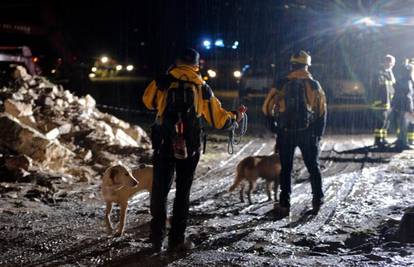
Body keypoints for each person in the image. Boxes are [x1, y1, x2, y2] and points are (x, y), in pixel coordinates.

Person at [142, 48, 245, 252]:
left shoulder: (163, 81)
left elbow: (147, 102)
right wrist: (235, 117)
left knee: (160, 190)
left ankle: (156, 238)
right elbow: (218, 120)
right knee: (183, 192)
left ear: (176, 62)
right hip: (190, 145)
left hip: (164, 143)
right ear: (197, 65)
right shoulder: (202, 87)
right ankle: (177, 239)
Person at [262, 50, 327, 218]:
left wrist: (275, 128)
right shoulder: (314, 84)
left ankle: (284, 204)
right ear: (307, 65)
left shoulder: (282, 83)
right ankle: (317, 200)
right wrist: (317, 134)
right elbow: (322, 111)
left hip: (286, 132)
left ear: (292, 65)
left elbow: (266, 107)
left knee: (286, 169)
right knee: (313, 167)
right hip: (308, 132)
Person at [371, 54, 396, 147]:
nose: (392, 65)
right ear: (386, 62)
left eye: (393, 63)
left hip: (388, 102)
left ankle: (383, 139)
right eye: (391, 63)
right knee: (380, 122)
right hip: (380, 102)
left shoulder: (389, 72)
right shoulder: (379, 73)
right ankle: (377, 140)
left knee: (386, 122)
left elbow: (392, 85)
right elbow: (380, 86)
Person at [391, 58, 414, 151]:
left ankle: (400, 141)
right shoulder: (408, 81)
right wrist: (411, 109)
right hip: (405, 107)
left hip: (400, 106)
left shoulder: (401, 79)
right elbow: (408, 96)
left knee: (401, 125)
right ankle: (403, 143)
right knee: (405, 125)